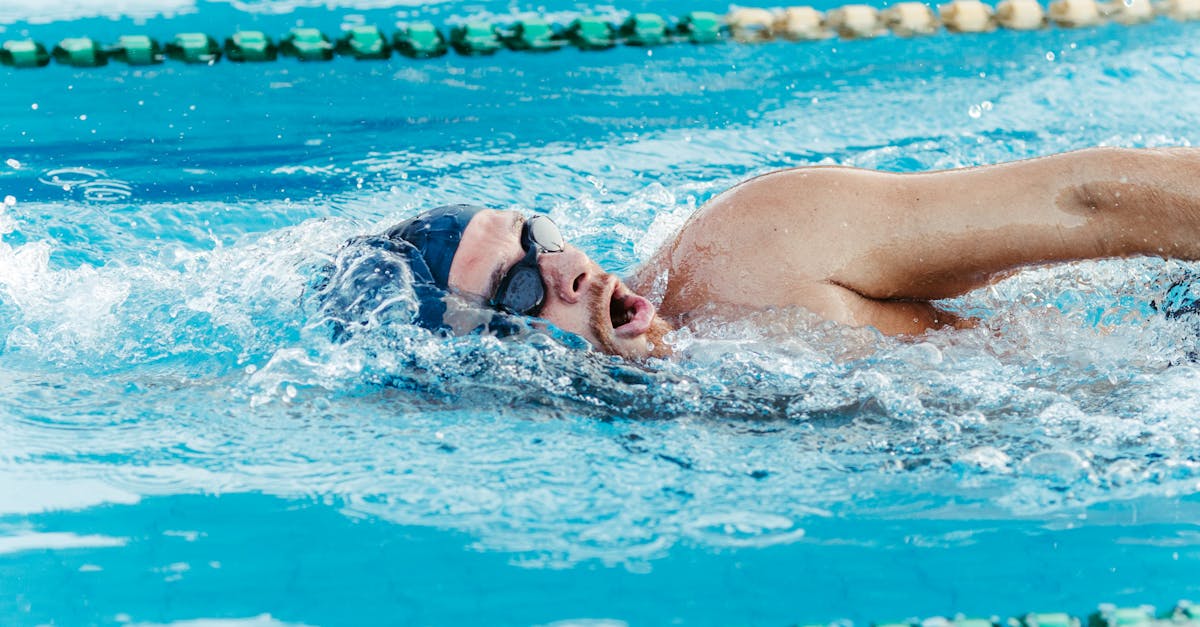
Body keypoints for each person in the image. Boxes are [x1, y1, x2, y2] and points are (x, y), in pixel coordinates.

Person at [316, 147, 1200, 359]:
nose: (567, 269)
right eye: (516, 290)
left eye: (536, 235)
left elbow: (1086, 201)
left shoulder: (754, 248)